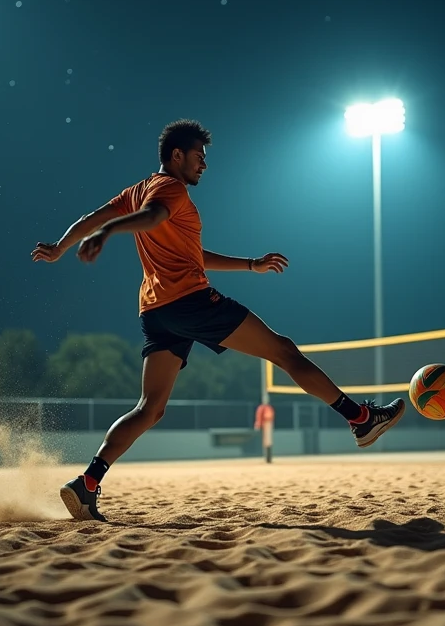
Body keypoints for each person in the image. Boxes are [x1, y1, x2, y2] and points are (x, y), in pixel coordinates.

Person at [32, 119, 404, 521]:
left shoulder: (134, 192)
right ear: (177, 156)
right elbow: (150, 218)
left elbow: (110, 224)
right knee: (284, 351)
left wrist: (59, 247)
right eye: (199, 156)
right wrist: (107, 234)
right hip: (191, 302)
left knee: (150, 408)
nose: (204, 165)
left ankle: (87, 484)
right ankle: (361, 419)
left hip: (156, 312)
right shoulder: (169, 190)